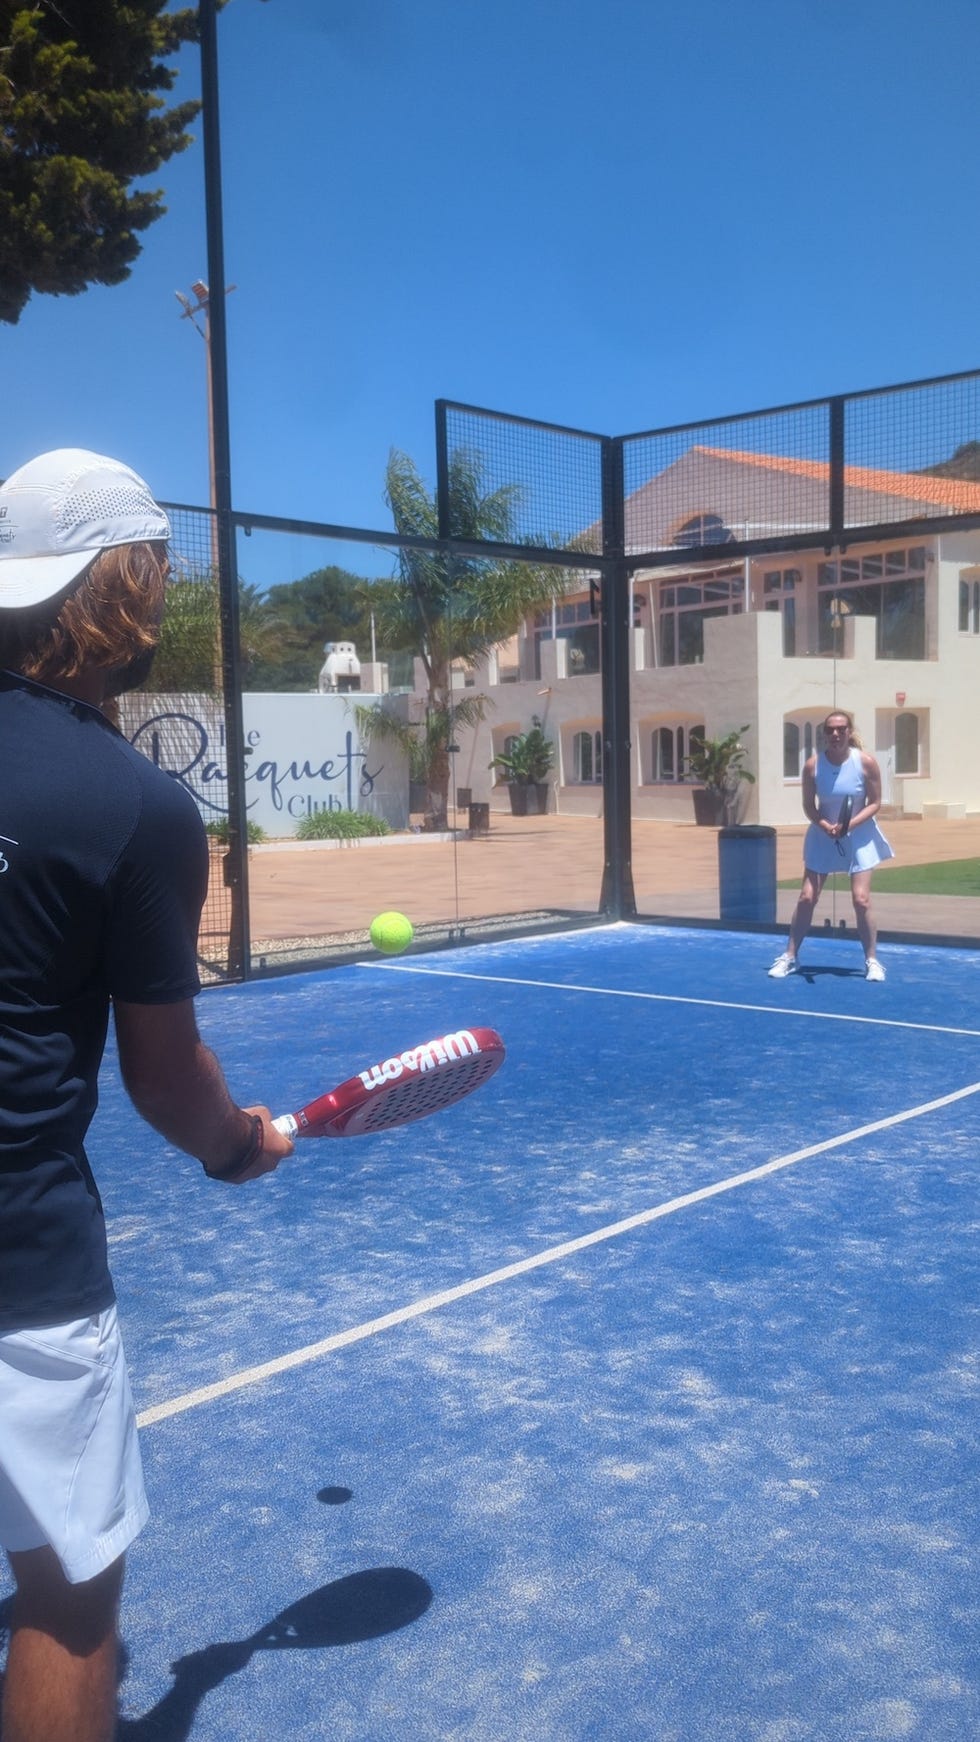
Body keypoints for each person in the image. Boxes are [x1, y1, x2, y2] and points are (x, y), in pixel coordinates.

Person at [0, 449, 294, 1742]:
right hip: (23, 1259)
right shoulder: (139, 808)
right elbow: (166, 1077)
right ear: (122, 588)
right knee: (67, 1603)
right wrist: (238, 1147)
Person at [768, 708, 894, 983]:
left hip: (859, 836)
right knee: (807, 897)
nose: (835, 734)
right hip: (822, 836)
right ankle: (790, 957)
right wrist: (825, 825)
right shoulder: (813, 765)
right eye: (830, 730)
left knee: (861, 900)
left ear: (849, 732)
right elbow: (808, 806)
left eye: (840, 729)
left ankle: (872, 961)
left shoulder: (866, 763)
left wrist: (850, 825)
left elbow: (875, 802)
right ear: (824, 734)